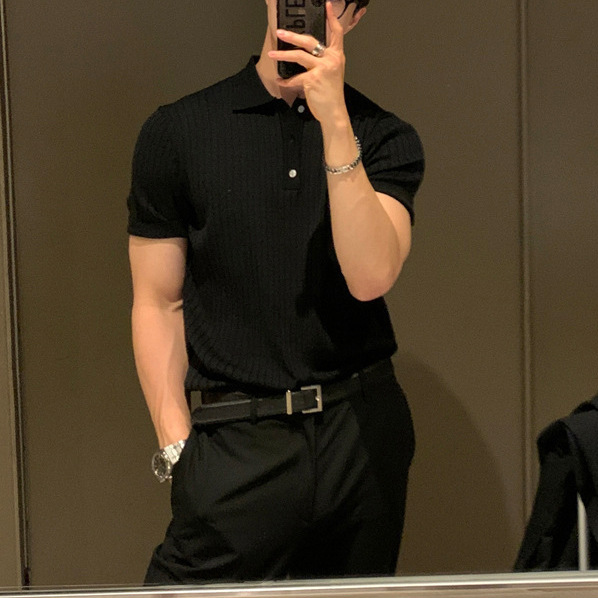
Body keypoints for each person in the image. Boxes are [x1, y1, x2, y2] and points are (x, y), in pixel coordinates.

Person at [127, 0, 425, 584]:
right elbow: (157, 301)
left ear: (355, 15)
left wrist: (334, 121)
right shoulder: (178, 131)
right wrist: (177, 448)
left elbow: (370, 276)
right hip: (235, 440)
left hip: (357, 435)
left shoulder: (382, 135)